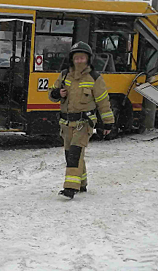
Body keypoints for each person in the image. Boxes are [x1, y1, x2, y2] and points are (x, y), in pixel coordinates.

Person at [48, 42, 114, 199]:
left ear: (88, 59)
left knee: (75, 154)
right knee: (71, 154)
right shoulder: (64, 75)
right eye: (76, 58)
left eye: (82, 58)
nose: (79, 61)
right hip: (66, 124)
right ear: (72, 59)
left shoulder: (95, 78)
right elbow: (51, 94)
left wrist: (108, 123)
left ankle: (70, 188)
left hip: (84, 124)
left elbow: (103, 103)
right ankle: (82, 183)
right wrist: (57, 93)